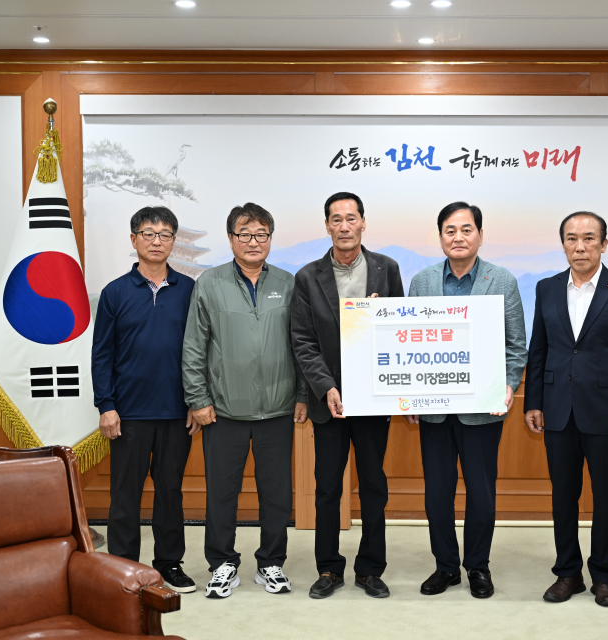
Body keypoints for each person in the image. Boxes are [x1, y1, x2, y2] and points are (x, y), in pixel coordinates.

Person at [182, 202, 307, 599]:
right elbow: (194, 346)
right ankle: (222, 563)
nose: (254, 242)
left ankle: (271, 562)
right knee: (222, 493)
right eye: (245, 234)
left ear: (270, 238)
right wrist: (198, 398)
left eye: (261, 234)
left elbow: (302, 344)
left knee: (276, 493)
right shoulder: (210, 283)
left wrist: (302, 394)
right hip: (223, 411)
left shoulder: (288, 283)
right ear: (231, 238)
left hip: (278, 409)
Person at [523, 212, 608, 608]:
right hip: (558, 409)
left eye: (589, 238)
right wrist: (533, 401)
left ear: (604, 244)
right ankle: (568, 573)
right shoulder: (546, 288)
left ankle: (604, 576)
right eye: (572, 239)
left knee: (607, 496)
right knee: (563, 495)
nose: (580, 247)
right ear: (563, 244)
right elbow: (539, 349)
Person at [405, 202, 527, 599]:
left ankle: (477, 566)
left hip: (482, 409)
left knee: (481, 493)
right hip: (435, 411)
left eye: (466, 229)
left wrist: (508, 384)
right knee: (437, 494)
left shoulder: (501, 280)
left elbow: (516, 345)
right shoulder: (422, 282)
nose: (458, 237)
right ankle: (445, 567)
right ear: (441, 236)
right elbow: (408, 344)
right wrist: (408, 395)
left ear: (479, 234)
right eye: (450, 230)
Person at [290, 192, 404, 600]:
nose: (344, 226)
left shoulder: (386, 269)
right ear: (327, 226)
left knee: (374, 485)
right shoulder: (308, 276)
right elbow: (303, 341)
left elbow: (400, 329)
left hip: (374, 398)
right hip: (329, 401)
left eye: (351, 218)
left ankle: (371, 569)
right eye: (336, 219)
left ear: (363, 223)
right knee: (326, 488)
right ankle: (328, 568)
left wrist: (380, 316)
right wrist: (326, 387)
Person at [92, 206, 197, 593]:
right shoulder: (115, 292)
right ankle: (123, 568)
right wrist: (106, 405)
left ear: (174, 242)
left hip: (177, 412)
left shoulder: (189, 290)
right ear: (134, 239)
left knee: (170, 491)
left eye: (165, 234)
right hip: (128, 413)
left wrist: (196, 400)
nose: (157, 241)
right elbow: (101, 354)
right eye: (149, 233)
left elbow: (202, 349)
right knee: (125, 494)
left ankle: (169, 564)